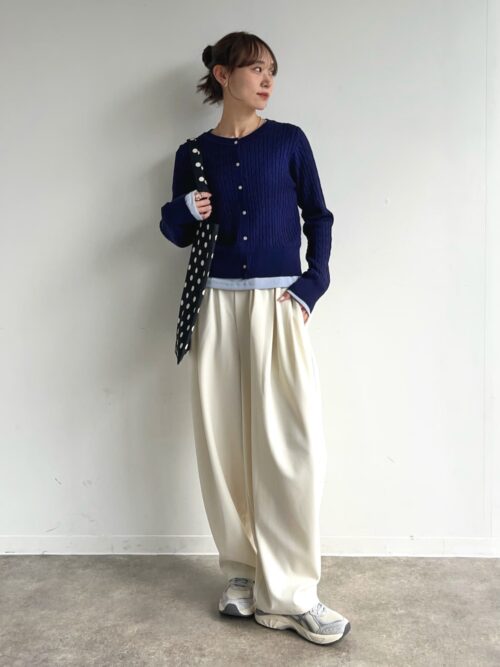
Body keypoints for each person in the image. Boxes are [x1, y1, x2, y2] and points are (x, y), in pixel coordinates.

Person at [159, 31, 351, 646]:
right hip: (214, 304)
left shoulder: (289, 141)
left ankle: (295, 593)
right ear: (223, 75)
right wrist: (185, 210)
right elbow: (174, 230)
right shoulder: (194, 153)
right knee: (223, 443)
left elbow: (318, 216)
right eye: (255, 69)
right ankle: (241, 572)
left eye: (272, 70)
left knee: (293, 446)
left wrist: (312, 284)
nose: (267, 80)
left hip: (279, 303)